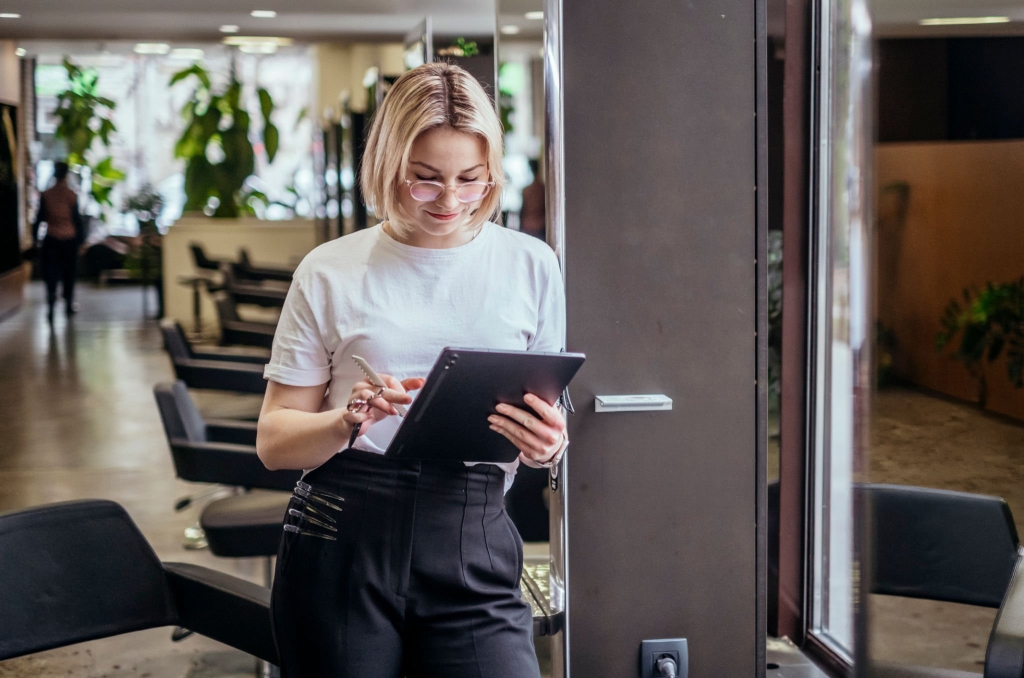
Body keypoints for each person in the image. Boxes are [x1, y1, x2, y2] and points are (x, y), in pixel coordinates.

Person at [256, 62, 569, 678]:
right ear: (386, 167)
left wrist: (549, 444)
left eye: (470, 180)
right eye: (424, 181)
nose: (450, 201)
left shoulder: (532, 265)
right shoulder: (329, 270)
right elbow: (273, 441)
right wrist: (348, 419)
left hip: (472, 528)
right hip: (342, 528)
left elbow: (546, 412)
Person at [33, 161, 85, 323]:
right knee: (69, 272)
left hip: (51, 239)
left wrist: (36, 239)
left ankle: (50, 303)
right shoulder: (71, 195)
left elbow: (39, 219)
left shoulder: (47, 194)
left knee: (51, 273)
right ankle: (68, 303)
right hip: (69, 239)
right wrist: (81, 241)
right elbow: (77, 220)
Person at [519, 158, 546, 241]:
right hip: (540, 225)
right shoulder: (543, 188)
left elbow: (522, 210)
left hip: (528, 226)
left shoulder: (527, 190)